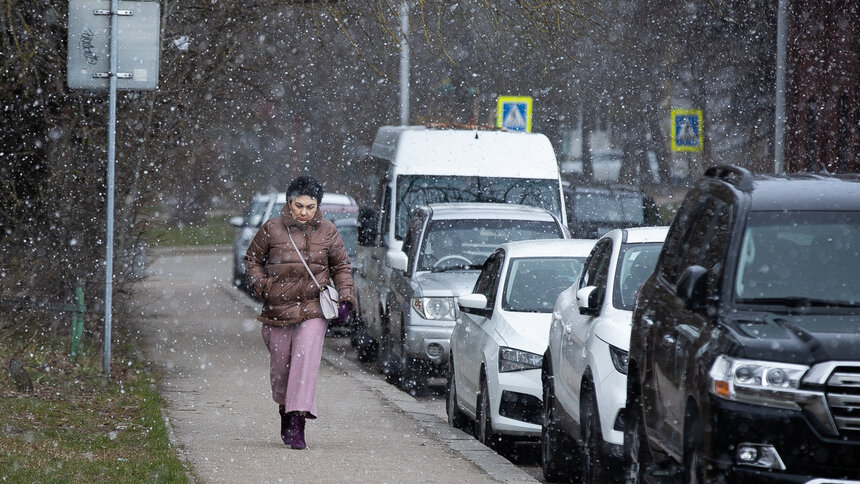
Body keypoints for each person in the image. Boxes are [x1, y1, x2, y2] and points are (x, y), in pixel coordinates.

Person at [244, 175, 355, 450]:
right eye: (299, 205)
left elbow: (342, 267)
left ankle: (298, 421)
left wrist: (345, 299)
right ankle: (285, 409)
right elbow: (252, 261)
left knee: (305, 361)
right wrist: (263, 286)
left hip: (312, 309)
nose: (304, 212)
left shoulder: (328, 231)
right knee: (281, 369)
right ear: (288, 203)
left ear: (318, 206)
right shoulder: (271, 228)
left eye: (310, 206)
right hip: (277, 310)